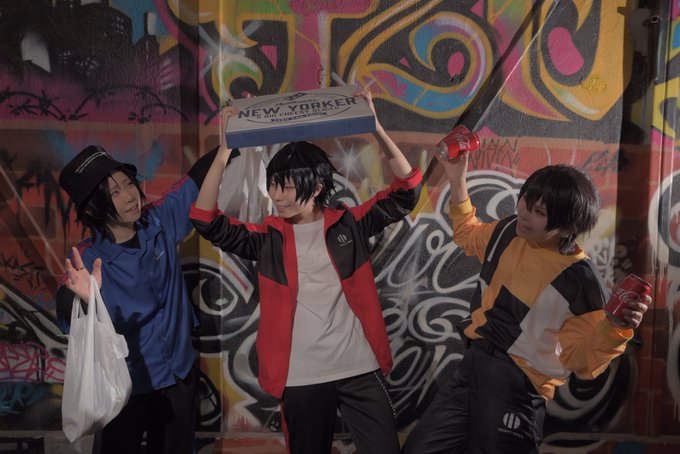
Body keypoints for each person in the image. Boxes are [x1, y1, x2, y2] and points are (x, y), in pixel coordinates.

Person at [189, 86, 422, 454]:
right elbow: (205, 220)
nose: (277, 196)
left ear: (316, 188)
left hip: (358, 367)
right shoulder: (267, 238)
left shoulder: (348, 224)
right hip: (301, 377)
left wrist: (375, 128)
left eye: (286, 187)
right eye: (273, 186)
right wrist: (224, 151)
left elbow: (406, 191)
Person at [402, 152, 651, 453]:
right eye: (525, 201)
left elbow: (581, 361)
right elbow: (468, 233)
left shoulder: (580, 282)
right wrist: (457, 179)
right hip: (470, 368)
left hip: (516, 389)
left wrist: (615, 328)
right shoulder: (509, 232)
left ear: (566, 227)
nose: (523, 213)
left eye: (538, 211)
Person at [56, 142, 235, 453]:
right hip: (126, 386)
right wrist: (84, 299)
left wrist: (234, 140)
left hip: (178, 374)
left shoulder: (159, 219)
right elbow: (65, 310)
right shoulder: (88, 258)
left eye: (129, 184)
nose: (130, 196)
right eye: (114, 192)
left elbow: (196, 179)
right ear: (95, 206)